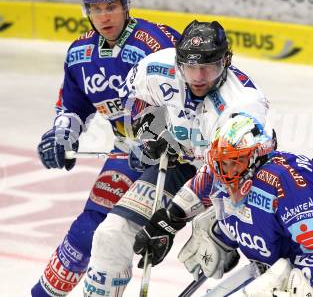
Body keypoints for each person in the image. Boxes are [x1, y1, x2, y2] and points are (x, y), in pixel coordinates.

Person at [82, 20, 271, 296]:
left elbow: (226, 171)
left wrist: (171, 220)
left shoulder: (243, 103)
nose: (197, 77)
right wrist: (150, 129)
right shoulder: (159, 67)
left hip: (236, 184)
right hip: (182, 166)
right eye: (190, 68)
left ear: (226, 61)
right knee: (110, 236)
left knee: (254, 260)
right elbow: (132, 94)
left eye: (208, 68)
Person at [32, 0, 181, 297]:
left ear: (125, 4)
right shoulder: (79, 55)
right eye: (96, 8)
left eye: (110, 6)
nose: (104, 16)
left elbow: (195, 96)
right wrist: (63, 135)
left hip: (180, 157)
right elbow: (72, 106)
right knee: (88, 231)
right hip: (130, 151)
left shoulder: (156, 45)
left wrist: (167, 135)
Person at [135, 114, 313, 296]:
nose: (226, 171)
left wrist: (310, 290)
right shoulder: (223, 174)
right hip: (286, 267)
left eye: (235, 162)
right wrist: (169, 221)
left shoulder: (283, 182)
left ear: (258, 157)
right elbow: (202, 185)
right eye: (222, 162)